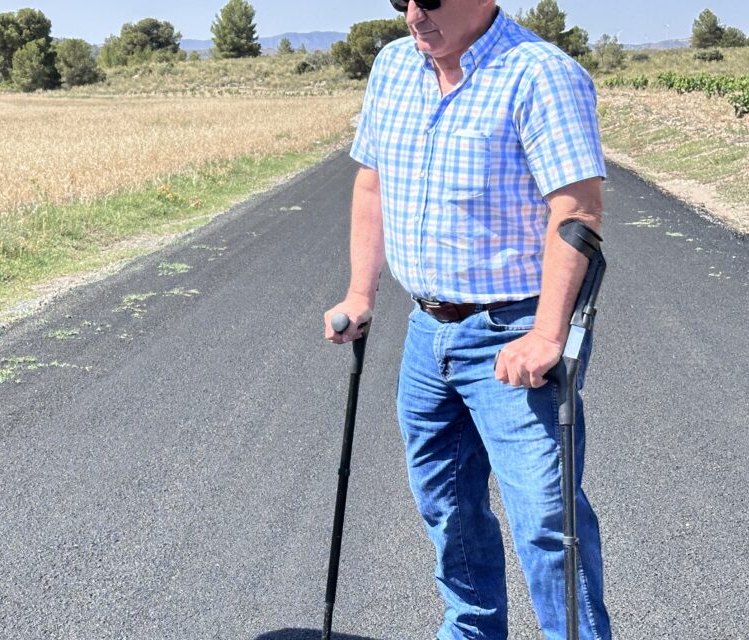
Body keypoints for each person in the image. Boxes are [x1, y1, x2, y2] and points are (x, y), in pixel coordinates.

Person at [324, 1, 612, 638]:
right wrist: (359, 293)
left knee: (546, 520)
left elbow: (577, 211)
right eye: (402, 0)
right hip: (428, 334)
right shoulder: (394, 66)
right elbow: (372, 182)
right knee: (446, 505)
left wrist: (547, 334)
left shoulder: (539, 73)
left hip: (514, 334)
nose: (414, 15)